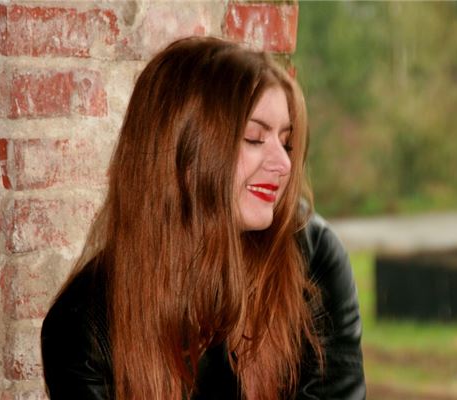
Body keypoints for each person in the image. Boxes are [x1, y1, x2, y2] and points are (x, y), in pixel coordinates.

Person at [41, 36, 365, 400]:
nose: (284, 164)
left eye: (286, 142)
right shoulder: (83, 326)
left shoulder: (312, 256)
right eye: (254, 138)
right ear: (183, 153)